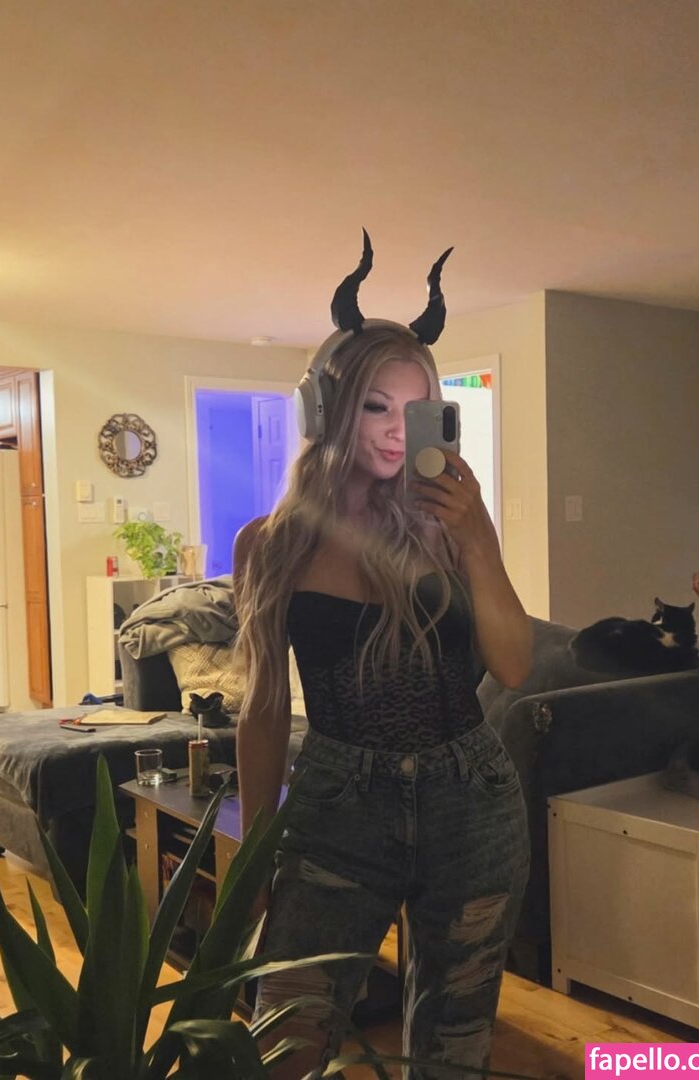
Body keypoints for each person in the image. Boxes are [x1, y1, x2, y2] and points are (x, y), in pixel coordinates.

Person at [233, 232, 531, 1079]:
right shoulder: (269, 544)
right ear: (325, 410)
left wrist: (479, 540)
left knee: (454, 1048)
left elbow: (514, 667)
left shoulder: (450, 530)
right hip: (337, 809)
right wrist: (255, 849)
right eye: (375, 406)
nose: (400, 432)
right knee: (283, 1037)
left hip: (471, 802)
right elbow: (262, 709)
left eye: (418, 408)